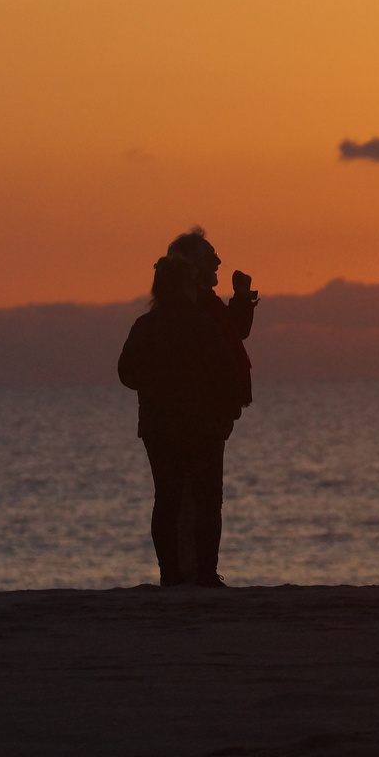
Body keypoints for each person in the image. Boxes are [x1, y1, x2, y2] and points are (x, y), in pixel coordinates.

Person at [117, 256, 247, 586]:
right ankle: (205, 574)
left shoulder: (145, 325)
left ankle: (169, 574)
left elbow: (126, 373)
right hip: (201, 425)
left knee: (167, 499)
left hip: (158, 426)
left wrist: (155, 385)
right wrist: (228, 412)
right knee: (207, 501)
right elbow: (226, 373)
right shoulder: (202, 325)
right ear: (187, 286)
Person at [165, 227, 258, 410]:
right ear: (192, 266)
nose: (218, 262)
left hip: (205, 419)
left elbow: (234, 331)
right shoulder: (186, 308)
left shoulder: (206, 302)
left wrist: (242, 298)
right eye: (211, 257)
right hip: (195, 417)